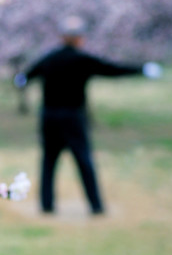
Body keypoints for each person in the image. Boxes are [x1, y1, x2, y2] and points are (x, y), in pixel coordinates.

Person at [14, 16, 161, 215]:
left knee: (49, 161)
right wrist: (142, 69)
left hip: (49, 117)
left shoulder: (50, 58)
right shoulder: (81, 60)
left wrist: (21, 79)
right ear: (77, 39)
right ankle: (96, 206)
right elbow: (112, 69)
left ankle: (46, 205)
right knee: (84, 160)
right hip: (72, 117)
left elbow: (25, 77)